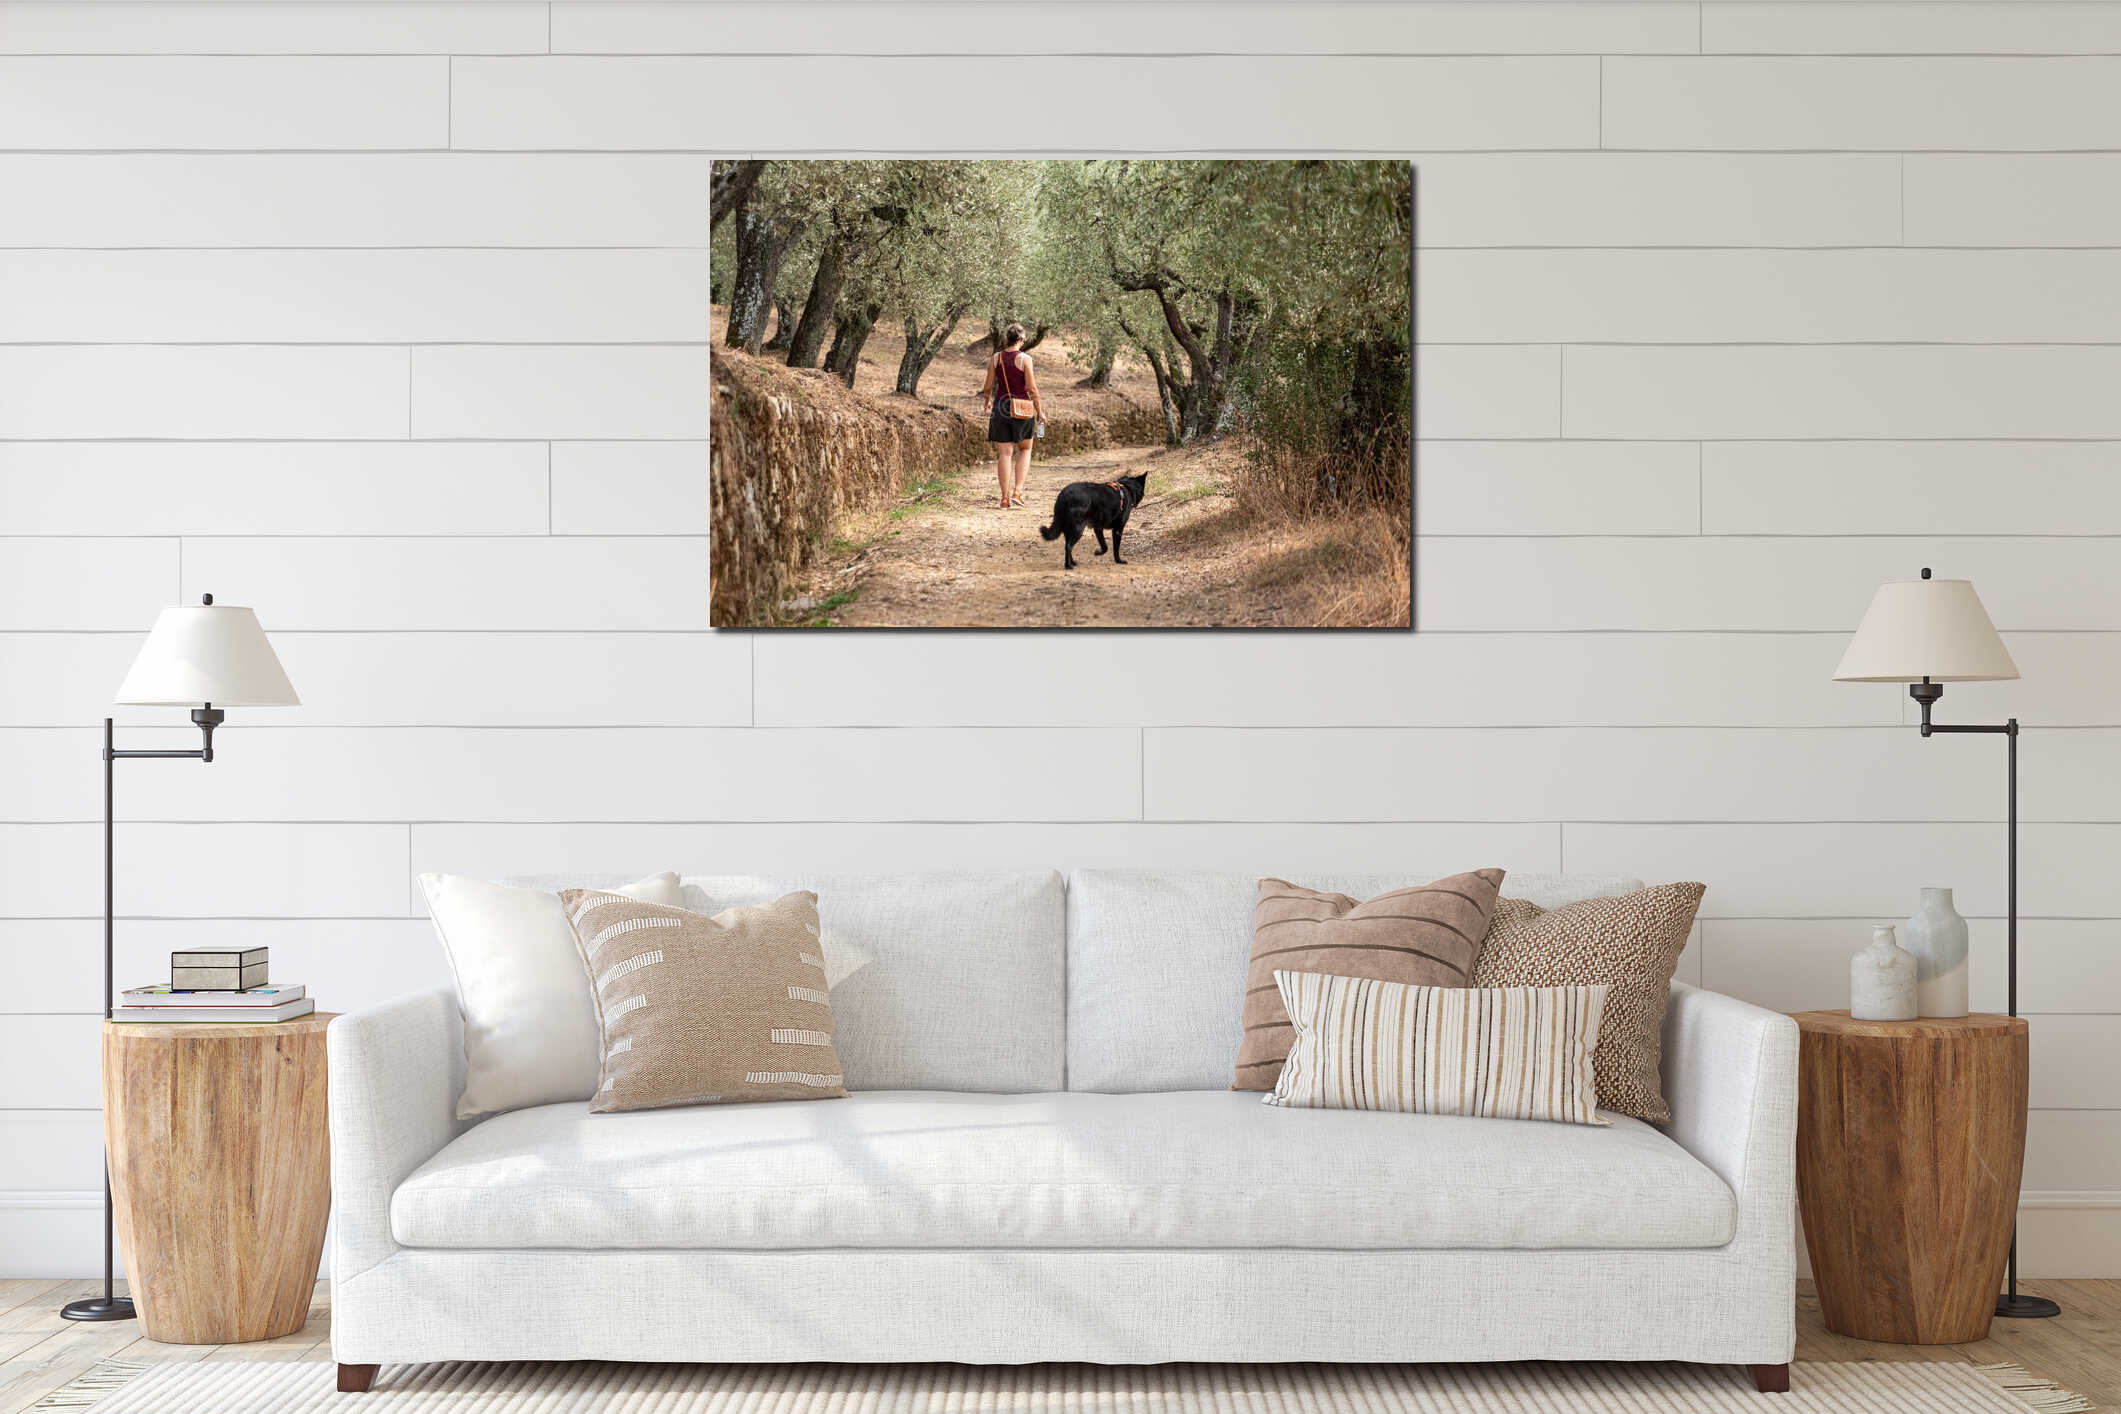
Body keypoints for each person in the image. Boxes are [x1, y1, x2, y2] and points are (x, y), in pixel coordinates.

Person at [979, 323, 1044, 509]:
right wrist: (1040, 411)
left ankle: (1004, 498)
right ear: (1021, 340)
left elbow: (988, 387)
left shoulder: (995, 358)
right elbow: (1031, 388)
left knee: (1004, 454)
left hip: (1000, 408)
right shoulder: (1025, 359)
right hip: (1022, 409)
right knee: (1025, 449)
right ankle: (1018, 491)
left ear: (1007, 339)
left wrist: (987, 402)